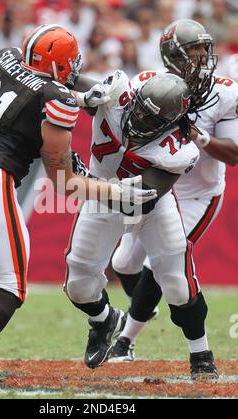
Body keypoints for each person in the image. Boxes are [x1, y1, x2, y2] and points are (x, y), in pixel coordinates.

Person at [0, 24, 156, 385]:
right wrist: (119, 193)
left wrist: (83, 97)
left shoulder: (5, 59)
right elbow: (63, 181)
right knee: (10, 286)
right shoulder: (58, 98)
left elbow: (33, 88)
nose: (74, 70)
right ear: (57, 67)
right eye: (70, 63)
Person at [65, 68, 218, 380]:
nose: (140, 121)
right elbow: (71, 83)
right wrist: (79, 91)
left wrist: (83, 180)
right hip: (102, 196)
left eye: (151, 120)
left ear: (171, 123)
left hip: (148, 205)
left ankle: (201, 356)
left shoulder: (179, 149)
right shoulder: (120, 92)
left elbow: (142, 198)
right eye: (139, 111)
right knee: (79, 286)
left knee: (176, 284)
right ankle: (104, 320)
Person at [110, 19, 238, 381]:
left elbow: (233, 153)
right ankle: (142, 311)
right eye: (194, 51)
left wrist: (197, 136)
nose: (202, 57)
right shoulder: (149, 84)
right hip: (157, 187)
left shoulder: (225, 92)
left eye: (204, 50)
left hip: (198, 193)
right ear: (174, 56)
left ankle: (129, 341)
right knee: (123, 262)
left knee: (162, 265)